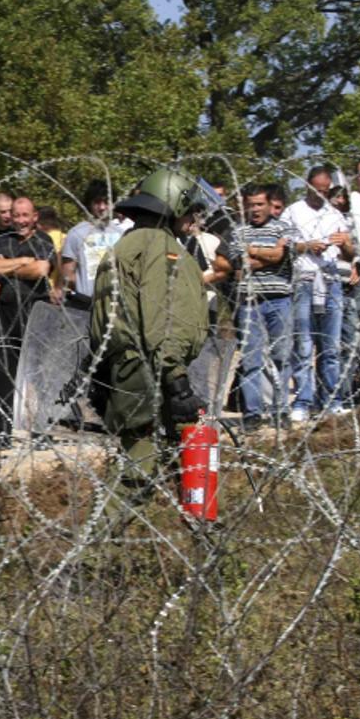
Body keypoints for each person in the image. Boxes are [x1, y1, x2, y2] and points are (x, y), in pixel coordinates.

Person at [89, 167, 209, 523]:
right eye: (191, 211)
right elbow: (160, 316)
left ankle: (207, 549)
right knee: (137, 471)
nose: (193, 219)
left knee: (182, 462)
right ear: (174, 205)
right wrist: (176, 379)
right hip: (151, 371)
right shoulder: (160, 246)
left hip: (127, 368)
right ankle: (88, 562)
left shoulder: (126, 244)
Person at [0, 196, 55, 451]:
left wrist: (8, 267)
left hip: (37, 311)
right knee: (2, 372)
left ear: (34, 217)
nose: (19, 220)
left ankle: (43, 431)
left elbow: (42, 270)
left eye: (24, 216)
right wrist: (23, 263)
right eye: (16, 215)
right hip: (5, 313)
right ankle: (1, 432)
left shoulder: (44, 240)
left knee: (41, 371)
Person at [279, 166, 355, 420]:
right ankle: (302, 400)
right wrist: (307, 246)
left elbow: (350, 255)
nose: (321, 196)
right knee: (304, 344)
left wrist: (345, 244)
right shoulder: (292, 212)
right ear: (307, 186)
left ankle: (332, 399)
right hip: (304, 280)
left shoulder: (334, 214)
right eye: (316, 190)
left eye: (325, 191)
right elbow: (283, 248)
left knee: (330, 345)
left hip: (331, 281)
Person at [228, 184, 294, 431]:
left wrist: (253, 251)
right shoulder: (238, 231)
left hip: (279, 298)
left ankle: (280, 410)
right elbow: (238, 265)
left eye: (259, 204)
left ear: (269, 205)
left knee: (282, 357)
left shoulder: (283, 227)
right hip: (250, 300)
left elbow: (282, 256)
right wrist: (270, 253)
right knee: (251, 359)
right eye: (251, 204)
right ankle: (252, 413)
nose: (255, 209)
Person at [58, 179, 128, 309]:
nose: (102, 207)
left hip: (114, 303)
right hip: (85, 303)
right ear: (89, 204)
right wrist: (84, 286)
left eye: (106, 202)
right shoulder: (76, 233)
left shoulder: (121, 234)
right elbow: (68, 273)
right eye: (97, 202)